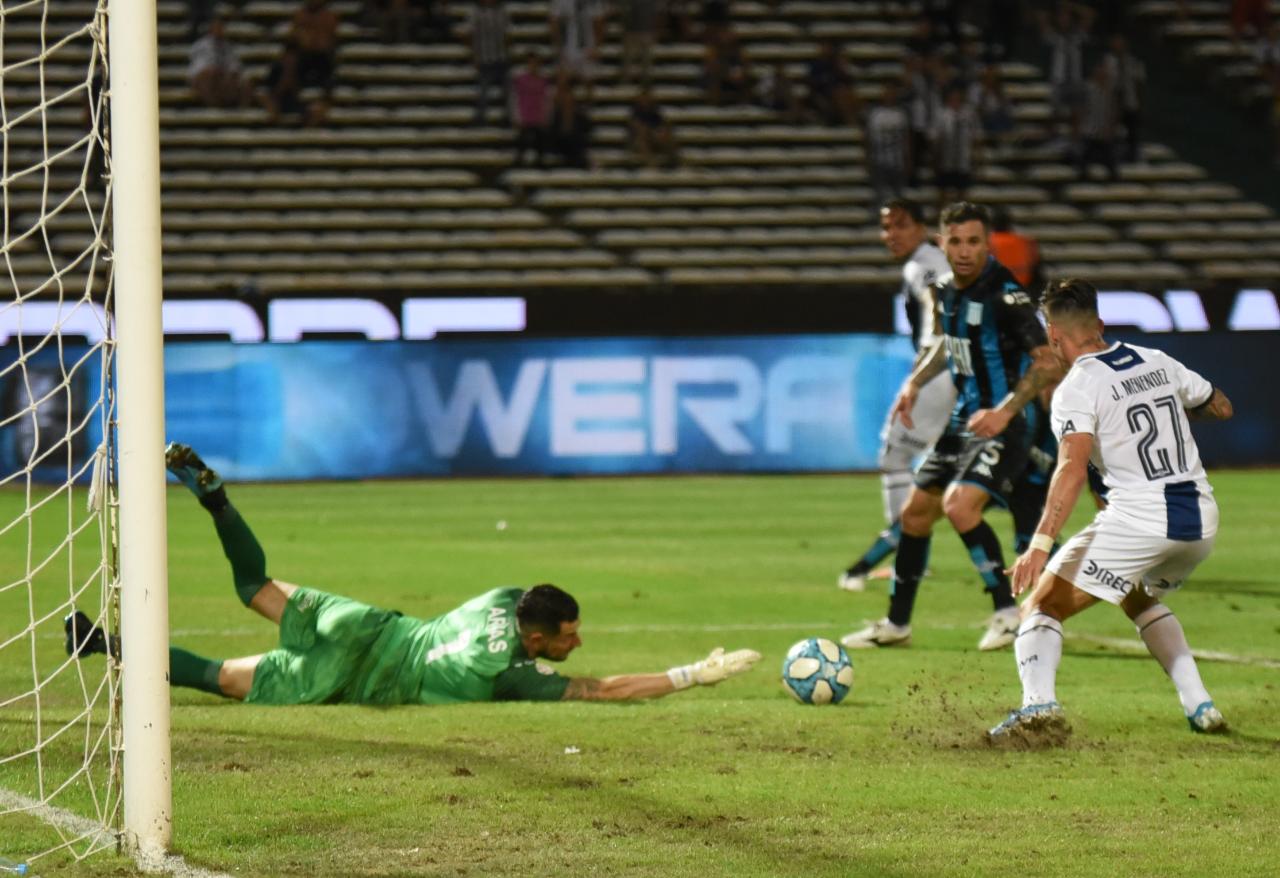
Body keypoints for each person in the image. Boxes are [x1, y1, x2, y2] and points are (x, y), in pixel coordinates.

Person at [66, 444, 762, 705]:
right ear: (539, 636)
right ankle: (105, 647)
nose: (576, 644)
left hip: (358, 621)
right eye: (568, 636)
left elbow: (530, 617)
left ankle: (215, 497)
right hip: (355, 676)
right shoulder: (511, 675)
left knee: (254, 588)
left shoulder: (503, 596)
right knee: (219, 677)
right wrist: (690, 676)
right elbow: (604, 689)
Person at [989, 278, 1234, 741]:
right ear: (1099, 324)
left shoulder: (1076, 387)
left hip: (1142, 519)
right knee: (1135, 594)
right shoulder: (1156, 360)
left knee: (1042, 604)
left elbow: (1071, 469)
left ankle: (1038, 707)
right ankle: (1200, 705)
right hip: (1200, 519)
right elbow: (1220, 406)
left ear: (1053, 335)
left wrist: (1039, 545)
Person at [842, 202, 1063, 652]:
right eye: (956, 241)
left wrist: (1005, 410)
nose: (964, 251)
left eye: (974, 241)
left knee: (961, 507)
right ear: (942, 242)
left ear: (986, 243)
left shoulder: (1007, 294)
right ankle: (897, 624)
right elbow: (946, 343)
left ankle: (1007, 613)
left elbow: (1046, 362)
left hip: (1006, 421)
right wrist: (913, 383)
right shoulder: (945, 290)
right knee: (915, 514)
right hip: (963, 417)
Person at [838, 199, 954, 593]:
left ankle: (907, 550)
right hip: (951, 372)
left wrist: (918, 379)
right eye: (886, 227)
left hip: (939, 372)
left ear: (921, 227)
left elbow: (939, 330)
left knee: (895, 455)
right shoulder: (930, 260)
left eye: (900, 226)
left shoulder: (925, 265)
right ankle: (910, 545)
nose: (890, 235)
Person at [188, 18, 252, 108]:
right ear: (211, 29)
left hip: (221, 77)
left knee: (243, 81)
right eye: (217, 28)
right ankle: (214, 106)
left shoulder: (227, 46)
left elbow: (235, 66)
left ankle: (238, 109)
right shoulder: (201, 45)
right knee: (209, 75)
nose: (220, 30)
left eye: (221, 28)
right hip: (203, 77)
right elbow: (199, 67)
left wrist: (231, 74)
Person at [470, 0, 511, 125]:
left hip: (500, 57)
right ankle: (480, 117)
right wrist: (475, 55)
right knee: (483, 89)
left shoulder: (502, 11)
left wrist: (508, 52)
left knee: (507, 90)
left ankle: (508, 116)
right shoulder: (476, 12)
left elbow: (507, 33)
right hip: (484, 58)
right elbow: (470, 33)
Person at [988, 205, 1042, 291]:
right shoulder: (1025, 241)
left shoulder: (988, 243)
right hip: (1023, 286)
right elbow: (1036, 268)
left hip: (996, 289)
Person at [512, 52, 552, 167]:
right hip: (525, 117)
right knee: (522, 141)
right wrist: (517, 117)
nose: (533, 66)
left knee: (541, 141)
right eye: (531, 63)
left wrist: (546, 117)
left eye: (536, 63)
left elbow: (547, 100)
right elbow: (515, 99)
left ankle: (540, 163)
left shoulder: (544, 80)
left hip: (539, 117)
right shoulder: (520, 80)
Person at [629, 88, 678, 167]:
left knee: (666, 134)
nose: (646, 102)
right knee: (642, 135)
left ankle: (672, 160)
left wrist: (659, 132)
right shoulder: (635, 114)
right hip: (638, 141)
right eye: (643, 100)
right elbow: (634, 129)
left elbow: (661, 125)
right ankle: (651, 164)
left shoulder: (655, 113)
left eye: (647, 99)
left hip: (653, 137)